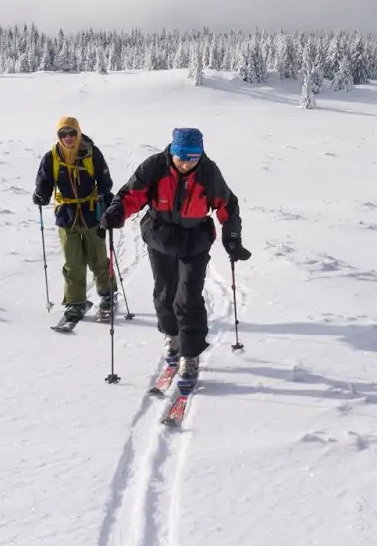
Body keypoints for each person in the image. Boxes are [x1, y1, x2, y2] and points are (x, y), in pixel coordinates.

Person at [100, 127, 249, 393]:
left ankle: (190, 355)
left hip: (195, 240)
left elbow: (227, 205)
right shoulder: (155, 166)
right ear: (173, 152)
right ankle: (172, 336)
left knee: (188, 296)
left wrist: (233, 238)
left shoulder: (208, 171)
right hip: (160, 237)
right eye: (182, 159)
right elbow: (131, 194)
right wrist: (116, 213)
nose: (187, 164)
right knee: (164, 293)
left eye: (193, 159)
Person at [32, 116, 118, 328]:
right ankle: (75, 302)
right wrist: (40, 195)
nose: (68, 137)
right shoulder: (52, 157)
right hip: (66, 214)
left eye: (72, 133)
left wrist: (106, 198)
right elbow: (44, 182)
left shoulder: (91, 153)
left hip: (92, 212)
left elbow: (105, 180)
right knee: (73, 262)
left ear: (78, 133)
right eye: (63, 134)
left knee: (98, 257)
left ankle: (107, 294)